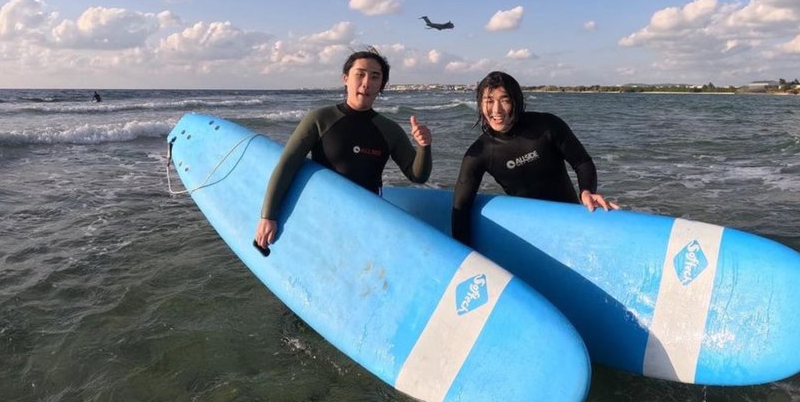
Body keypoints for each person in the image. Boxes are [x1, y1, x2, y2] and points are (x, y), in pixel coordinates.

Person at [254, 48, 432, 252]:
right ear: (346, 78)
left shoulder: (389, 129)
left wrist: (424, 146)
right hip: (322, 216)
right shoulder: (320, 119)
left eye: (375, 77)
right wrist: (268, 216)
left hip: (367, 219)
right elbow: (288, 165)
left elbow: (417, 175)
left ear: (381, 86)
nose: (366, 83)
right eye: (360, 74)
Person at [451, 70, 617, 245]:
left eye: (505, 100)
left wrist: (587, 191)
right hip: (529, 232)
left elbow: (582, 162)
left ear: (517, 101)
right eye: (489, 101)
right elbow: (460, 207)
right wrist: (464, 255)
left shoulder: (547, 126)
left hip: (569, 219)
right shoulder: (480, 152)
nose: (496, 110)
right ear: (479, 104)